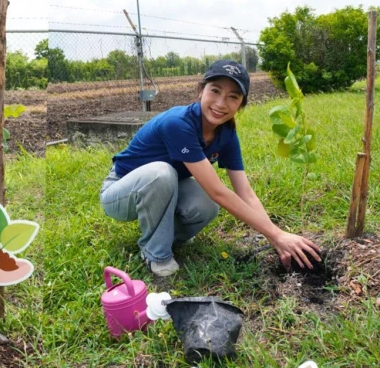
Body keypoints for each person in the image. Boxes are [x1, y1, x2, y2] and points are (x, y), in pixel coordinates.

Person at [100, 59, 321, 277]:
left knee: (206, 205)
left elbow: (245, 192)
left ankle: (166, 235)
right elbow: (218, 191)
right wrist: (277, 234)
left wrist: (277, 237)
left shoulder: (226, 135)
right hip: (121, 192)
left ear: (241, 105)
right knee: (162, 173)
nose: (221, 103)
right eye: (215, 91)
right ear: (200, 90)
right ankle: (155, 252)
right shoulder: (178, 123)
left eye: (233, 97)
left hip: (169, 185)